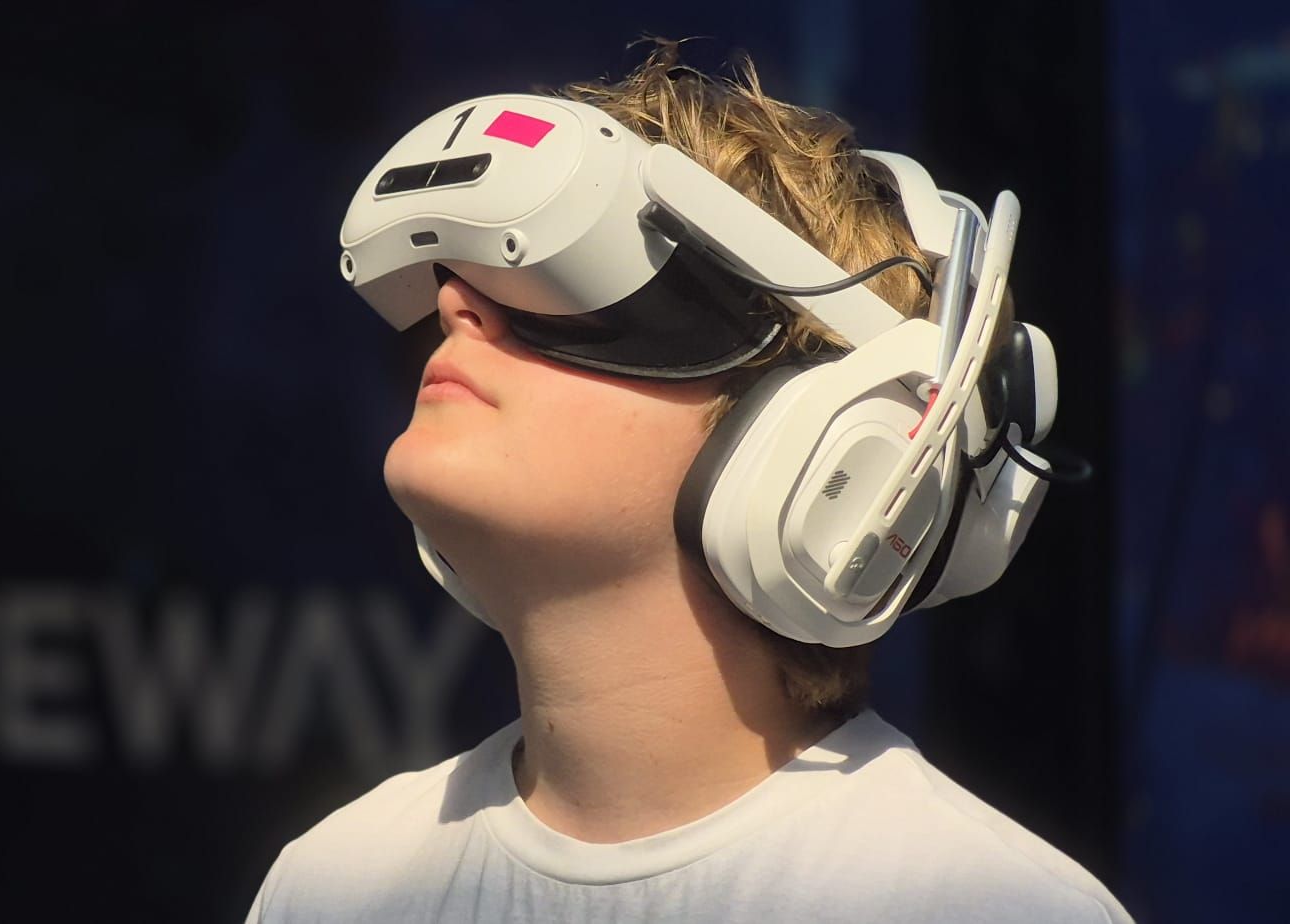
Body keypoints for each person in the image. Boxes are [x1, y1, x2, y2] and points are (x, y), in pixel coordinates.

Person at [244, 40, 1132, 922]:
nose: (453, 305)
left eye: (578, 287)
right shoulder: (333, 885)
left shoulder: (986, 904)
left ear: (828, 436)